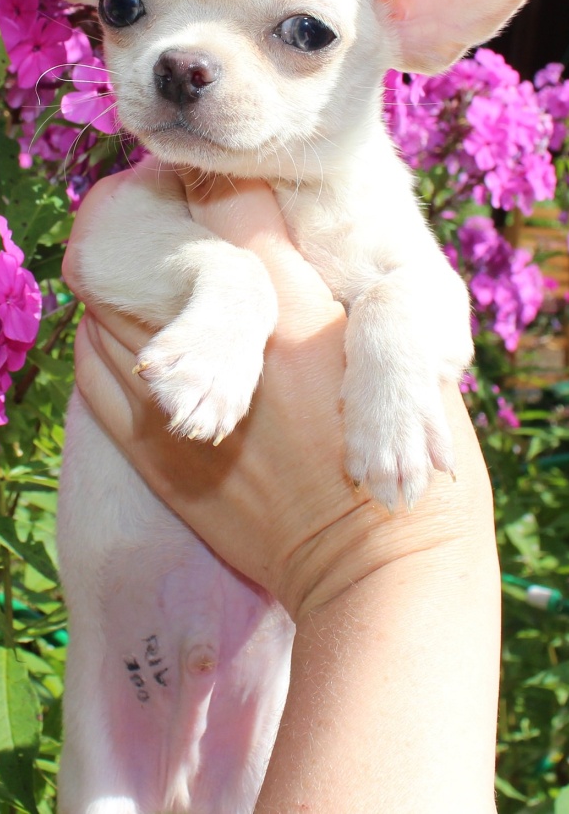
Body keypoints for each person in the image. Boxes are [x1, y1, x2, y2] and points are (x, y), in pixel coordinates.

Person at [65, 166, 502, 814]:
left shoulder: (365, 196)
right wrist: (230, 286)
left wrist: (390, 317)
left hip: (271, 701)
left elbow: (432, 301)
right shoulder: (154, 191)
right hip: (121, 698)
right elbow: (97, 256)